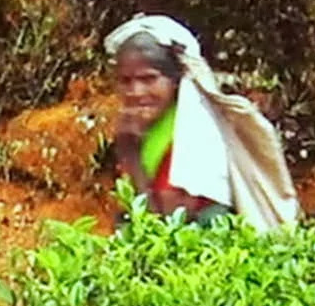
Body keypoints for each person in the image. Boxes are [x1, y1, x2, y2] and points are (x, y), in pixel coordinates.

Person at [98, 15, 299, 230]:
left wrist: (132, 156)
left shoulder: (195, 130)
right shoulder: (142, 127)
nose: (136, 92)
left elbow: (165, 219)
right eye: (126, 81)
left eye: (149, 79)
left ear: (175, 81)